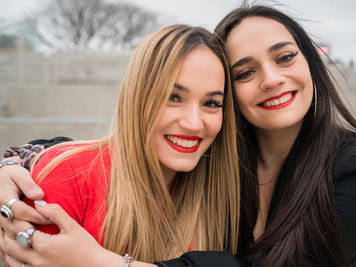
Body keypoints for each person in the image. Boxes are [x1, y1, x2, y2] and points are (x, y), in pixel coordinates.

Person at [0, 4, 356, 267]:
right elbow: (85, 158)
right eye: (244, 72)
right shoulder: (216, 157)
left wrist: (105, 263)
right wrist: (14, 162)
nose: (272, 79)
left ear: (310, 61)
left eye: (284, 57)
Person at [0, 24, 241, 266]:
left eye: (211, 103)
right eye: (173, 97)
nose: (193, 123)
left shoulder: (223, 193)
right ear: (137, 95)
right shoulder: (69, 174)